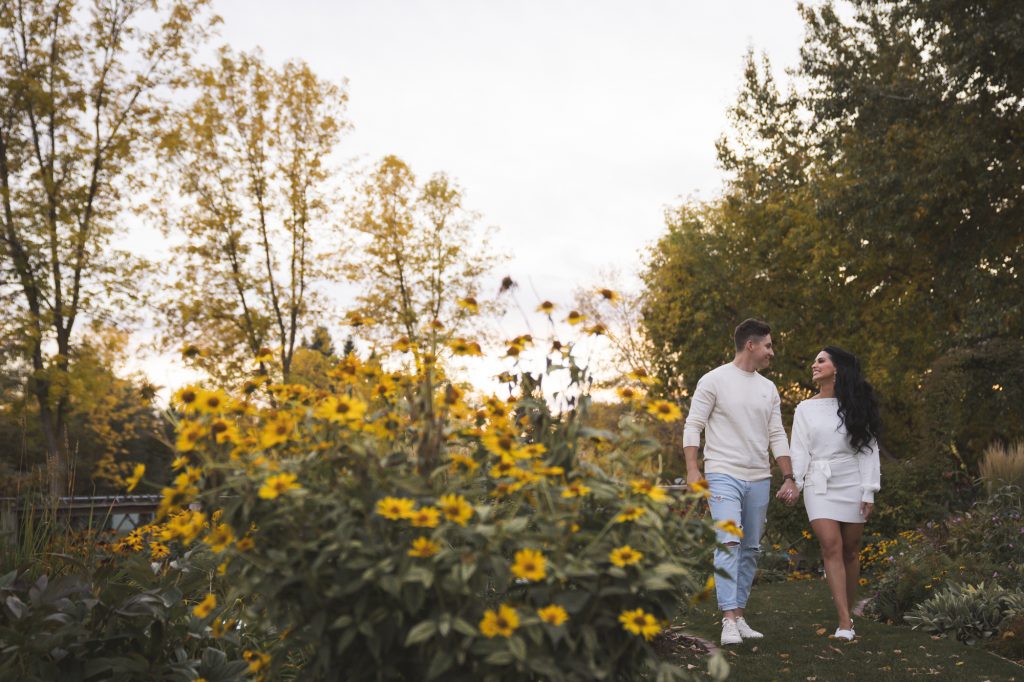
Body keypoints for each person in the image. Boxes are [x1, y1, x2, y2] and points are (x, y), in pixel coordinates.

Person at [683, 319, 797, 646]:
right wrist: (693, 469)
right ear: (751, 345)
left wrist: (788, 476)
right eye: (768, 346)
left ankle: (740, 615)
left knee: (750, 548)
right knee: (729, 541)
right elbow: (694, 426)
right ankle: (728, 618)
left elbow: (777, 434)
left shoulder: (768, 389)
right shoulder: (714, 380)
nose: (771, 352)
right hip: (722, 473)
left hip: (759, 476)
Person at [789, 346, 881, 641]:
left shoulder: (856, 405)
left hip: (852, 481)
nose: (813, 365)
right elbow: (799, 449)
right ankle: (844, 622)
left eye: (820, 360)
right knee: (831, 545)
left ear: (837, 368)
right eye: (814, 360)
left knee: (851, 549)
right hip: (819, 482)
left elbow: (868, 449)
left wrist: (869, 490)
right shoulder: (804, 408)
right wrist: (796, 482)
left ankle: (848, 609)